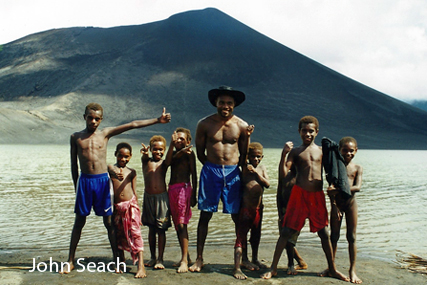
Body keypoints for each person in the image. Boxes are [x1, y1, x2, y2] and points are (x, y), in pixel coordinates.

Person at [61, 103, 170, 274]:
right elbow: (73, 165)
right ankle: (70, 260)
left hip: (102, 182)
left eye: (97, 119)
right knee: (79, 221)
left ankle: (117, 259)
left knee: (109, 222)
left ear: (101, 120)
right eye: (90, 118)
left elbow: (132, 124)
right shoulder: (75, 137)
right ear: (84, 117)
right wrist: (77, 187)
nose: (93, 121)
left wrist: (157, 120)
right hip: (85, 182)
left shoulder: (104, 134)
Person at [261, 116, 349, 281]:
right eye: (304, 130)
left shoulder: (322, 151)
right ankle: (273, 268)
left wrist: (335, 198)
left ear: (316, 131)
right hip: (299, 194)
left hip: (317, 196)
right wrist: (283, 154)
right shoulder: (295, 152)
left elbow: (333, 173)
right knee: (286, 231)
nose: (307, 134)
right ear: (299, 131)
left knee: (324, 233)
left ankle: (332, 269)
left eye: (311, 131)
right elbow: (283, 174)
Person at [189, 86, 251, 272]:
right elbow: (200, 153)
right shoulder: (205, 124)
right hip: (211, 171)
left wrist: (248, 137)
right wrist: (212, 168)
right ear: (215, 103)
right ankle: (199, 258)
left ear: (234, 105)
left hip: (233, 173)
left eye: (229, 103)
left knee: (236, 216)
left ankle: (244, 258)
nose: (225, 106)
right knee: (205, 214)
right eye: (222, 102)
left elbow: (244, 155)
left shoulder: (241, 125)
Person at [323, 137, 363, 284]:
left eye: (351, 151)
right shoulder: (335, 167)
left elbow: (357, 187)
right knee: (334, 236)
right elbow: (330, 190)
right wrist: (333, 206)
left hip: (351, 204)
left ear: (356, 151)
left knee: (351, 237)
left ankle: (352, 270)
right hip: (337, 206)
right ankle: (331, 267)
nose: (348, 153)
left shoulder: (357, 168)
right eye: (345, 150)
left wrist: (338, 189)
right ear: (339, 150)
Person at [108, 142, 146, 278]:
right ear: (115, 154)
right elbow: (107, 168)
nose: (123, 159)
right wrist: (113, 171)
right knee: (119, 234)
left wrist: (136, 207)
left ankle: (140, 265)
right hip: (117, 207)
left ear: (130, 157)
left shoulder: (132, 172)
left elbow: (134, 191)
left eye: (126, 157)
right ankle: (121, 260)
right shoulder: (110, 169)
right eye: (120, 156)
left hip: (130, 206)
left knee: (135, 233)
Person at [233, 141, 270, 280]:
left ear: (262, 157)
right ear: (248, 156)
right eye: (253, 156)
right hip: (245, 209)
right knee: (241, 237)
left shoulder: (261, 168)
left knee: (256, 236)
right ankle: (238, 266)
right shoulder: (243, 168)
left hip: (258, 209)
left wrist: (256, 174)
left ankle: (254, 258)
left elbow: (267, 183)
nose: (255, 159)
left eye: (258, 157)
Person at [164, 127, 197, 273]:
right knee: (178, 225)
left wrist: (194, 194)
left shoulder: (189, 154)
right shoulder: (174, 153)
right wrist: (174, 148)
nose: (178, 141)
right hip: (172, 189)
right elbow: (167, 162)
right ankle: (187, 257)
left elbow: (194, 175)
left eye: (182, 139)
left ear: (188, 141)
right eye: (176, 138)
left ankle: (184, 260)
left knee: (182, 224)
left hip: (183, 189)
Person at [140, 135, 172, 270]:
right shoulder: (146, 162)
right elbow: (144, 158)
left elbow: (169, 157)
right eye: (155, 149)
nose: (158, 152)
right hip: (148, 198)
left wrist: (172, 142)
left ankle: (160, 259)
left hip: (161, 198)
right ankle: (153, 257)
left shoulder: (164, 164)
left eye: (161, 150)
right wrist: (145, 153)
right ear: (151, 149)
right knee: (151, 229)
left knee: (161, 229)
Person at [277, 166, 308, 275]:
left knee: (289, 241)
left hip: (297, 213)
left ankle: (291, 265)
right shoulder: (285, 176)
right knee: (284, 239)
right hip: (285, 212)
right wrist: (280, 213)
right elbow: (279, 195)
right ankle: (300, 261)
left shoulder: (303, 178)